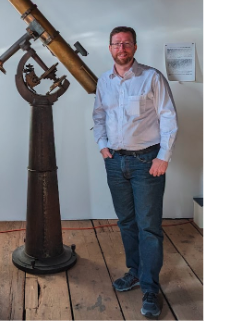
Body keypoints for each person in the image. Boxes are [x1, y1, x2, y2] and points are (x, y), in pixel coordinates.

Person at [92, 26, 178, 319]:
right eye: (116, 44)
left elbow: (168, 117)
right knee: (126, 222)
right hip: (115, 162)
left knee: (149, 227)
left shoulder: (152, 78)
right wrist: (103, 146)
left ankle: (151, 288)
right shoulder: (104, 81)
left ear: (135, 47)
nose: (121, 48)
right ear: (110, 48)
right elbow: (99, 115)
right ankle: (136, 271)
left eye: (126, 43)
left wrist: (163, 157)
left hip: (146, 163)